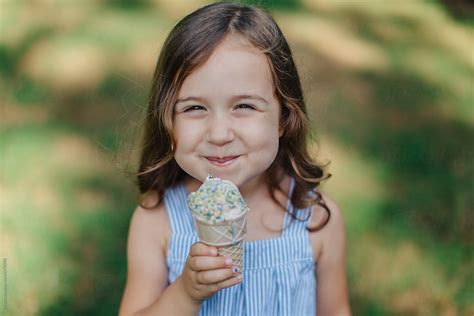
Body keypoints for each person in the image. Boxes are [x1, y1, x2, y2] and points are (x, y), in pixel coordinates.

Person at [119, 2, 350, 315]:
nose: (219, 134)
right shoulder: (157, 222)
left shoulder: (316, 219)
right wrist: (185, 294)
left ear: (284, 117)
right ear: (168, 122)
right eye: (194, 108)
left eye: (244, 106)